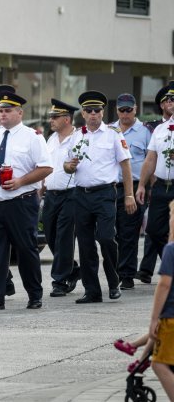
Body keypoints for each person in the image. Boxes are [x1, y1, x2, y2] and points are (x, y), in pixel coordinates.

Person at [0, 91, 52, 311]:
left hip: (21, 201)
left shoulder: (32, 137)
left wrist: (21, 181)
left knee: (26, 250)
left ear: (20, 113)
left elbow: (46, 167)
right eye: (1, 110)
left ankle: (34, 295)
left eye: (8, 110)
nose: (3, 114)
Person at [64, 91, 134, 304]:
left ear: (103, 112)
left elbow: (125, 165)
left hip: (104, 193)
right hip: (81, 194)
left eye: (97, 110)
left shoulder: (113, 134)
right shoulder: (76, 136)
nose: (93, 114)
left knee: (105, 238)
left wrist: (129, 194)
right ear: (83, 114)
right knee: (85, 245)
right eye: (89, 111)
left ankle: (114, 282)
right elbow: (66, 166)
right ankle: (92, 290)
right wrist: (69, 166)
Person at [112, 93, 151, 290]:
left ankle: (126, 274)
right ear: (116, 110)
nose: (125, 113)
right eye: (122, 110)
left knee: (129, 231)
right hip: (110, 188)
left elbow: (150, 161)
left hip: (135, 187)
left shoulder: (144, 132)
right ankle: (115, 270)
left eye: (129, 109)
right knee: (111, 232)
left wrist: (147, 187)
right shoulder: (109, 130)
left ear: (135, 109)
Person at [42, 99, 81, 297]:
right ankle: (72, 268)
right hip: (51, 194)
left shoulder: (78, 138)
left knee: (65, 236)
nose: (51, 120)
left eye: (55, 117)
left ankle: (60, 280)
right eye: (51, 117)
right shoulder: (50, 139)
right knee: (50, 234)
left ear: (67, 119)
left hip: (71, 194)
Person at [138, 83, 174, 283]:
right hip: (161, 185)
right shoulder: (159, 129)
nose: (170, 102)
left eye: (173, 99)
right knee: (153, 229)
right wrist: (142, 184)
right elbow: (150, 159)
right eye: (167, 100)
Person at [148, 201, 174, 402]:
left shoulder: (171, 250)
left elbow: (164, 284)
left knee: (159, 365)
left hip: (171, 318)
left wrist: (155, 318)